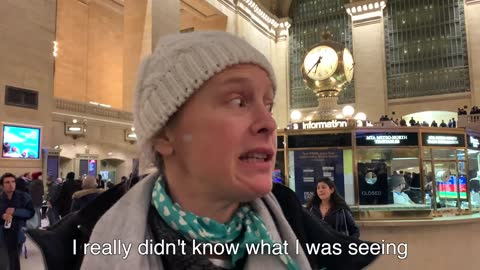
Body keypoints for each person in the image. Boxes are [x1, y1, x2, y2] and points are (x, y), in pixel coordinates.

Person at [28, 31, 378, 270]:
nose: (268, 124)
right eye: (239, 100)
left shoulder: (305, 234)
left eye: (268, 105)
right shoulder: (78, 248)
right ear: (166, 135)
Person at [0, 173, 35, 270]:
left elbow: (30, 213)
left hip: (17, 233)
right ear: (2, 186)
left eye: (13, 181)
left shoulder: (24, 197)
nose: (11, 184)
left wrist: (16, 211)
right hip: (2, 234)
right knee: (3, 262)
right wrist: (2, 215)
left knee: (15, 261)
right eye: (7, 182)